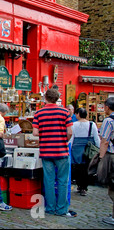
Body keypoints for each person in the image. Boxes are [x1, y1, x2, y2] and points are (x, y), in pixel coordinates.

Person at [33, 88, 75, 217]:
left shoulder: (39, 113)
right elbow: (70, 132)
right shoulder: (65, 112)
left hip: (46, 151)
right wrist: (63, 140)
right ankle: (61, 209)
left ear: (45, 98)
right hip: (62, 150)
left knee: (49, 180)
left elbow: (35, 133)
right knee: (62, 181)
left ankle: (50, 207)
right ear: (57, 99)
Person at [69, 107, 100, 196]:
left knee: (78, 167)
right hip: (88, 149)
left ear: (78, 114)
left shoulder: (73, 124)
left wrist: (69, 148)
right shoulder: (92, 124)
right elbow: (96, 138)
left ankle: (79, 185)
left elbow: (71, 138)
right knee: (86, 168)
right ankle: (84, 187)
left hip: (76, 149)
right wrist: (98, 148)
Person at [99, 97, 114, 226]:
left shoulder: (109, 121)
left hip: (112, 155)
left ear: (107, 107)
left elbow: (105, 141)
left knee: (112, 187)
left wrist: (101, 158)